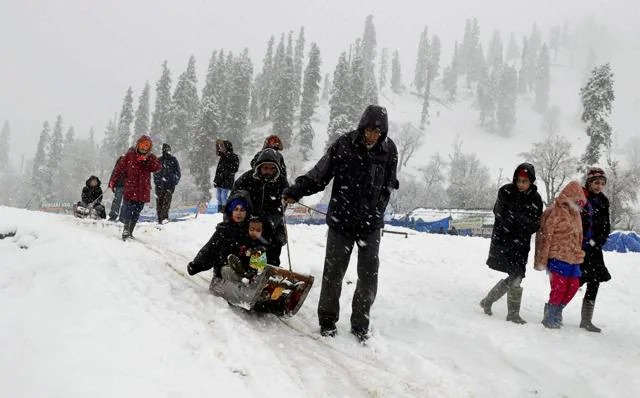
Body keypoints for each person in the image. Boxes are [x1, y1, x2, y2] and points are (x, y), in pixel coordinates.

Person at [282, 105, 398, 341]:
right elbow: (320, 174)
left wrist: (377, 211)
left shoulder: (389, 150)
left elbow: (388, 185)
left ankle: (360, 324)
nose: (372, 135)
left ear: (383, 133)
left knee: (368, 276)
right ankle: (327, 322)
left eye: (378, 132)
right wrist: (296, 190)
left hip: (370, 225)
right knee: (333, 273)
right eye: (369, 129)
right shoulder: (344, 145)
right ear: (362, 126)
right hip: (341, 221)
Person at [480, 163, 543, 324]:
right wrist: (521, 223)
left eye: (525, 181)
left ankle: (489, 301)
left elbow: (536, 222)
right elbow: (501, 213)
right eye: (519, 180)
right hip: (505, 241)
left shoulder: (535, 198)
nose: (521, 184)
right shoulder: (506, 191)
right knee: (516, 274)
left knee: (517, 274)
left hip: (521, 244)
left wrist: (522, 224)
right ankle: (511, 313)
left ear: (531, 182)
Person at [535, 181, 586, 329]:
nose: (578, 204)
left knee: (574, 286)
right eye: (576, 200)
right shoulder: (554, 212)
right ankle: (550, 316)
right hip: (557, 256)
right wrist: (543, 258)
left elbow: (579, 237)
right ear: (568, 197)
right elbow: (546, 236)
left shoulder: (577, 215)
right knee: (559, 288)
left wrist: (579, 253)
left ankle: (556, 310)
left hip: (574, 258)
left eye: (580, 201)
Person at [231, 148, 289, 267]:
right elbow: (234, 200)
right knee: (252, 235)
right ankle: (251, 267)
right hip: (246, 219)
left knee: (276, 240)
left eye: (272, 168)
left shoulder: (281, 182)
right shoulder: (246, 179)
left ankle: (271, 269)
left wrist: (268, 221)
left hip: (271, 222)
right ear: (259, 167)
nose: (268, 171)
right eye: (265, 168)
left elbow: (281, 208)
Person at [187, 191, 252, 279]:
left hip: (247, 269)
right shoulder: (224, 230)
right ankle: (242, 275)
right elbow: (210, 249)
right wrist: (197, 265)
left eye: (242, 210)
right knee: (230, 270)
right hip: (224, 269)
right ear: (231, 211)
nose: (238, 213)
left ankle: (253, 277)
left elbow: (262, 246)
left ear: (247, 212)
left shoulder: (251, 229)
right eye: (235, 209)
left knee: (258, 251)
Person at [108, 135, 162, 240]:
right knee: (128, 209)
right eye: (142, 144)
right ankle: (126, 230)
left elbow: (156, 168)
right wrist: (113, 181)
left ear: (149, 147)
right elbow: (119, 170)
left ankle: (130, 232)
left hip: (143, 190)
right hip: (130, 188)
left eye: (147, 145)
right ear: (138, 144)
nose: (144, 147)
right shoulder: (129, 156)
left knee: (137, 211)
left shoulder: (151, 158)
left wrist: (147, 160)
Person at [579, 167, 611, 332]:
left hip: (594, 248)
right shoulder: (581, 197)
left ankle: (586, 320)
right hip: (579, 247)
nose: (599, 186)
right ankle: (554, 311)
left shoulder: (604, 201)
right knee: (574, 281)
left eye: (602, 183)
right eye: (596, 182)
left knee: (594, 281)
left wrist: (598, 242)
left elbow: (606, 225)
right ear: (589, 182)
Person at [223, 215, 269, 282]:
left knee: (259, 252)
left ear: (262, 231)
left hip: (253, 272)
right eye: (252, 229)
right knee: (226, 269)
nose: (254, 232)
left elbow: (262, 265)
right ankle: (242, 279)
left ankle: (251, 279)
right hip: (239, 269)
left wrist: (252, 272)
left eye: (258, 230)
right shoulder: (241, 240)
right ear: (248, 229)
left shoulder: (262, 244)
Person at [153, 143, 181, 224]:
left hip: (169, 185)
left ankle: (164, 219)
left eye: (168, 149)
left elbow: (178, 173)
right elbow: (155, 172)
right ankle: (160, 219)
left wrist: (174, 181)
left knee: (166, 202)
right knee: (159, 203)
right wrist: (157, 182)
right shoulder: (159, 160)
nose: (167, 151)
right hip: (159, 185)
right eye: (165, 149)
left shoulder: (173, 160)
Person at [213, 139, 239, 213]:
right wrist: (217, 145)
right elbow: (218, 152)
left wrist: (226, 173)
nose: (221, 148)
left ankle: (224, 210)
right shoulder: (223, 155)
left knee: (223, 196)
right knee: (218, 196)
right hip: (219, 180)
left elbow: (235, 168)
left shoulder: (233, 156)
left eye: (223, 146)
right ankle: (219, 210)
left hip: (226, 180)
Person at [108, 154, 126, 222]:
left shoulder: (129, 163)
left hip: (125, 186)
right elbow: (114, 172)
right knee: (119, 201)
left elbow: (114, 172)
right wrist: (111, 182)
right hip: (120, 185)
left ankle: (120, 217)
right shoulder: (122, 160)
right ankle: (116, 216)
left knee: (121, 202)